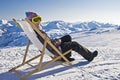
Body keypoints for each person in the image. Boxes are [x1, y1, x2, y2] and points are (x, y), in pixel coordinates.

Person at [25, 12, 98, 62]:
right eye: (35, 20)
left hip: (52, 48)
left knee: (67, 37)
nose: (38, 22)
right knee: (74, 44)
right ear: (30, 22)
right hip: (56, 50)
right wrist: (58, 40)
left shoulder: (34, 31)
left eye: (39, 19)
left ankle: (65, 57)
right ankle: (89, 56)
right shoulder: (38, 32)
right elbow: (51, 45)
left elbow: (47, 43)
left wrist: (57, 40)